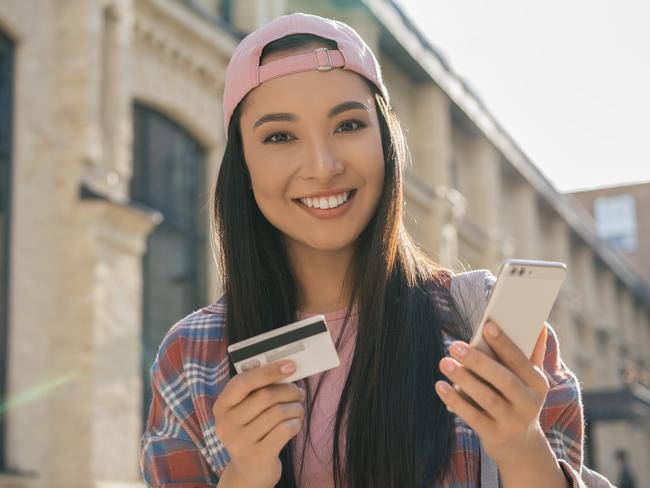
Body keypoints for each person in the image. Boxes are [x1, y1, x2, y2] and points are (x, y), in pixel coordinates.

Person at [139, 12, 614, 488]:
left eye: (348, 125)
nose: (322, 166)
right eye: (280, 136)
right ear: (242, 166)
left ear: (386, 142)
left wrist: (520, 447)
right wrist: (245, 475)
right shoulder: (193, 357)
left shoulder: (486, 329)